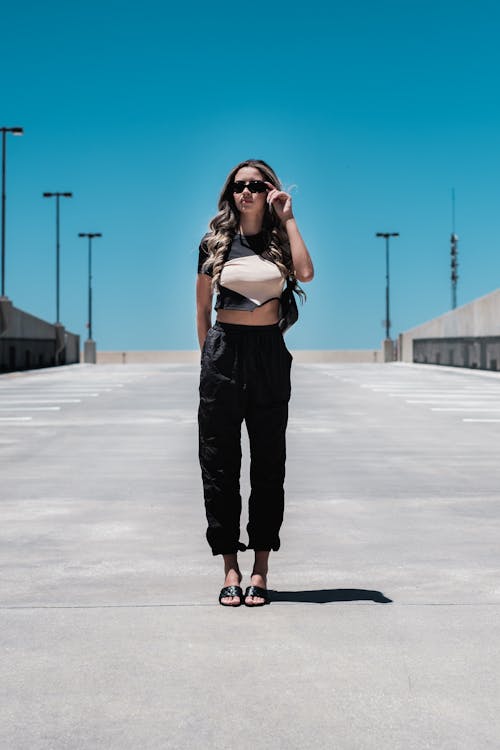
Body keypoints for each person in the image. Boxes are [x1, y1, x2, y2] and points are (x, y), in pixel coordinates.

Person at [196, 159, 314, 607]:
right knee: (219, 463)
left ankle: (260, 569)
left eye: (256, 185)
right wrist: (209, 359)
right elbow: (202, 308)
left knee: (268, 464)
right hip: (224, 351)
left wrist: (288, 216)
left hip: (267, 352)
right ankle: (230, 567)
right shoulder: (215, 242)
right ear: (231, 194)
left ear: (269, 191)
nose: (246, 191)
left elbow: (305, 274)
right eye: (239, 186)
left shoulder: (282, 239)